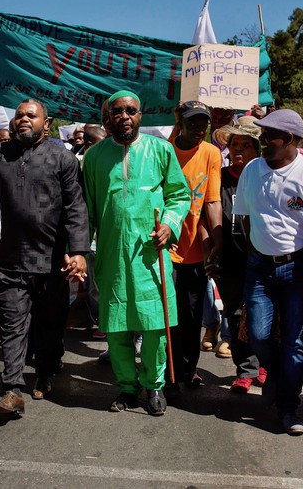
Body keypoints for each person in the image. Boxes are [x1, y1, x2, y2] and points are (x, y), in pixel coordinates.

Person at [233, 108, 303, 436]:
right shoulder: (252, 170)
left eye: (270, 136)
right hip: (260, 268)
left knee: (295, 342)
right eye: (262, 134)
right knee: (259, 334)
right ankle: (276, 375)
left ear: (291, 140)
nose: (262, 140)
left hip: (297, 269)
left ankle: (288, 407)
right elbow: (246, 218)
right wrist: (257, 255)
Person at [83, 90, 190, 416]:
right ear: (109, 117)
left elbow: (179, 195)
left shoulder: (161, 150)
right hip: (112, 256)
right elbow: (86, 209)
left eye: (131, 110)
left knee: (155, 327)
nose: (124, 116)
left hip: (150, 256)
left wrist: (170, 224)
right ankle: (128, 388)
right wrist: (78, 252)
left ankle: (154, 385)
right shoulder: (95, 156)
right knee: (116, 329)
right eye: (118, 111)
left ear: (140, 116)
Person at [0, 98, 89, 415]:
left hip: (52, 261)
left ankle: (45, 369)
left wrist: (79, 252)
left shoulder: (63, 158)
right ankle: (12, 389)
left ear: (46, 122)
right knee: (13, 326)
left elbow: (75, 208)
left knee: (50, 323)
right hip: (12, 261)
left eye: (32, 115)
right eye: (19, 115)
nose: (24, 119)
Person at [208, 117, 266, 393]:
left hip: (263, 256)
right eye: (234, 144)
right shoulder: (219, 178)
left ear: (258, 149)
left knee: (262, 313)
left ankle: (264, 364)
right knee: (234, 313)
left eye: (246, 144)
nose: (239, 149)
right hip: (229, 259)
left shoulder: (265, 175)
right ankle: (245, 370)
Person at [167, 101, 222, 389]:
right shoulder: (164, 150)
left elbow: (212, 199)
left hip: (194, 250)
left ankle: (187, 370)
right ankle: (165, 371)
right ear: (180, 121)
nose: (200, 129)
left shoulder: (211, 153)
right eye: (193, 122)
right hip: (164, 248)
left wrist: (217, 241)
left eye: (204, 123)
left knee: (190, 316)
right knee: (165, 314)